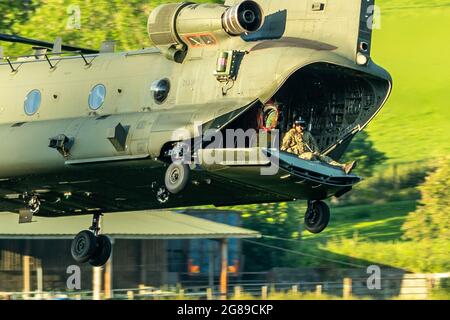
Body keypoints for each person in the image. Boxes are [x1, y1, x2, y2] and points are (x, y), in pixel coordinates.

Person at [281, 117, 357, 174]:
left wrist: (317, 152)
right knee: (311, 156)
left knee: (325, 158)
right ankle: (320, 170)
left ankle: (343, 166)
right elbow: (284, 147)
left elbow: (314, 144)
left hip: (306, 153)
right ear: (295, 125)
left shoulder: (307, 134)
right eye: (298, 125)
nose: (300, 127)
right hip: (296, 156)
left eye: (302, 125)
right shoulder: (290, 134)